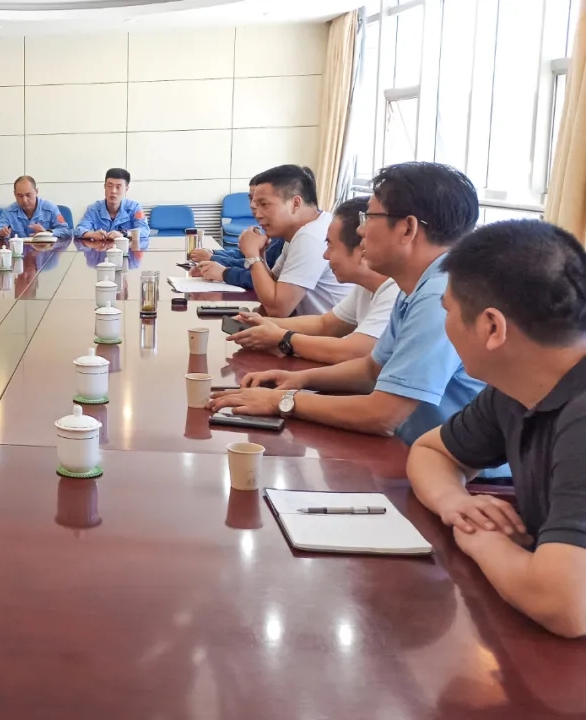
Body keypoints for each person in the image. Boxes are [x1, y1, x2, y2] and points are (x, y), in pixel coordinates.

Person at [210, 162, 487, 447]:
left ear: (407, 228)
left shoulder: (439, 296)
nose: (362, 230)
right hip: (414, 449)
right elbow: (371, 370)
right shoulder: (416, 285)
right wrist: (297, 379)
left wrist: (282, 400)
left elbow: (383, 415)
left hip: (452, 464)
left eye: (369, 217)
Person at [407, 220, 586, 638]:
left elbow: (565, 604)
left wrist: (480, 539)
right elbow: (431, 452)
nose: (446, 325)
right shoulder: (518, 384)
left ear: (492, 327)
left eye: (448, 311)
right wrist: (454, 502)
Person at [227, 197, 400, 364]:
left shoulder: (396, 291)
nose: (325, 255)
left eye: (331, 246)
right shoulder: (366, 288)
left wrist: (281, 337)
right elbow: (325, 325)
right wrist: (261, 323)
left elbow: (351, 352)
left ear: (362, 247)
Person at [196, 165, 349, 317]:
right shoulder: (299, 232)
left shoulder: (310, 237)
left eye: (264, 204)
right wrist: (260, 256)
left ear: (295, 203)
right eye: (256, 205)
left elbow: (277, 310)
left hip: (324, 332)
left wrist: (252, 255)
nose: (258, 214)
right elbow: (273, 286)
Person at [75, 168, 150, 246]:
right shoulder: (93, 209)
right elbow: (78, 230)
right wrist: (91, 234)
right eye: (109, 186)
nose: (113, 191)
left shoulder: (135, 208)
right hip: (101, 251)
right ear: (104, 187)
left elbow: (144, 230)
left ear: (126, 189)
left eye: (118, 187)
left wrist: (123, 233)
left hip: (126, 251)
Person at [190, 238, 285, 291]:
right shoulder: (279, 237)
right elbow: (245, 256)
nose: (258, 215)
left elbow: (262, 276)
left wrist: (224, 272)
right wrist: (214, 254)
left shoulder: (287, 242)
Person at [0, 176, 72, 240]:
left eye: (28, 195)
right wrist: (1, 233)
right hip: (19, 252)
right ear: (15, 194)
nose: (24, 200)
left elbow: (66, 231)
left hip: (45, 252)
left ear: (36, 192)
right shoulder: (9, 212)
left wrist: (47, 233)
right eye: (20, 196)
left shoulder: (50, 208)